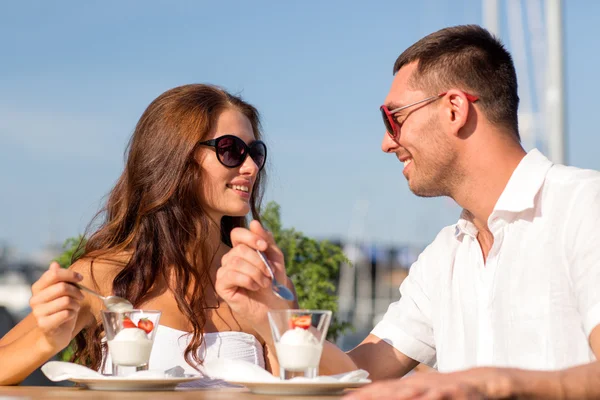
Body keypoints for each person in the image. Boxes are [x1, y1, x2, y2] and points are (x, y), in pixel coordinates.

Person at [215, 25, 600, 399]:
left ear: (454, 109)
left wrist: (489, 384)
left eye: (393, 117)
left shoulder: (584, 205)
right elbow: (356, 375)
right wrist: (277, 314)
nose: (386, 142)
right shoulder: (445, 254)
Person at [0, 84, 295, 385]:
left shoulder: (260, 280)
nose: (251, 167)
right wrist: (47, 342)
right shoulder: (102, 277)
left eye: (255, 153)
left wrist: (276, 328)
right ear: (176, 156)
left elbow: (298, 385)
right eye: (230, 150)